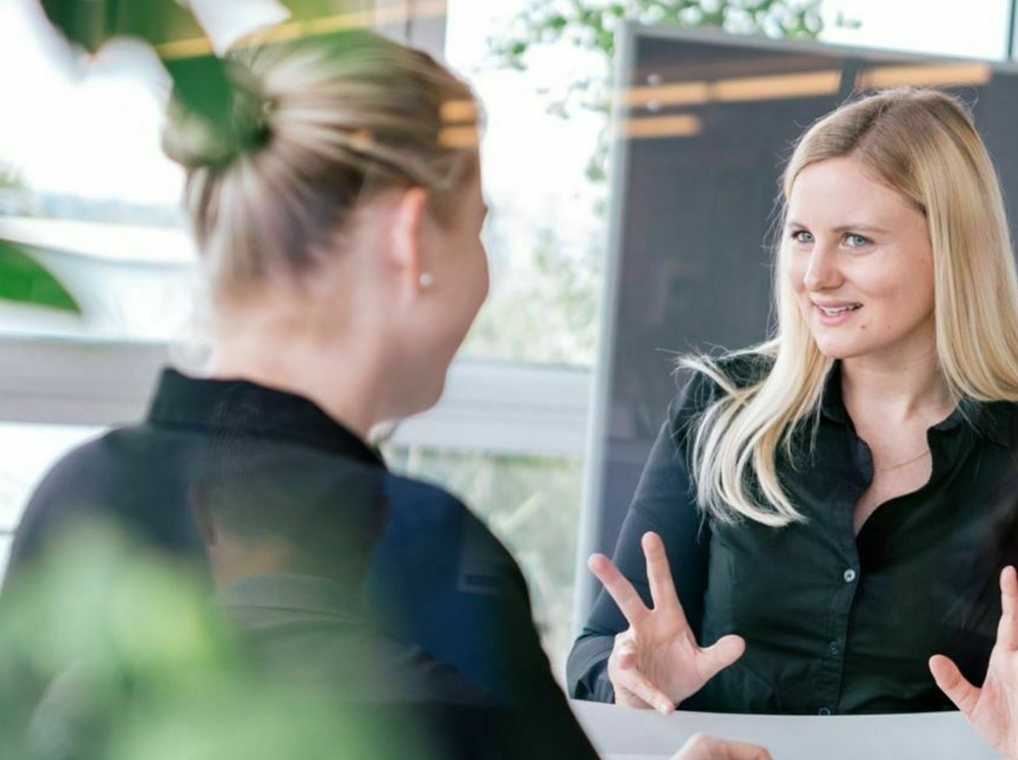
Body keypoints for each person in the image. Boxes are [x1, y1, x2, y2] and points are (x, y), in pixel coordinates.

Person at [4, 26, 771, 760]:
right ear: (410, 241)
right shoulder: (427, 553)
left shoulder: (75, 495)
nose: (483, 271)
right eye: (476, 229)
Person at [567, 87, 1018, 760]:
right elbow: (595, 653)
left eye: (855, 240)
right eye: (800, 237)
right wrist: (628, 681)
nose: (815, 275)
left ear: (952, 249)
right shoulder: (719, 410)